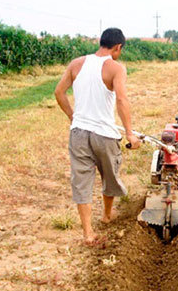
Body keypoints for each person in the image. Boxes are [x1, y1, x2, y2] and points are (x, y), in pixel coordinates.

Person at [54, 28, 141, 246]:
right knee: (109, 176)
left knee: (81, 181)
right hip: (104, 135)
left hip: (79, 134)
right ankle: (106, 215)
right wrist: (130, 133)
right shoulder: (116, 68)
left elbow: (59, 92)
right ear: (118, 47)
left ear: (101, 42)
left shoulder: (77, 63)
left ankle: (88, 233)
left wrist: (72, 116)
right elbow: (122, 100)